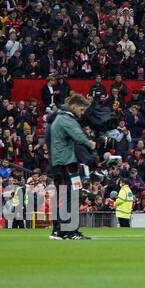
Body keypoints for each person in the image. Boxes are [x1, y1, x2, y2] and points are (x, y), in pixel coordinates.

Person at [48, 94, 94, 240]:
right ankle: (68, 231)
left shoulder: (59, 118)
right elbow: (79, 135)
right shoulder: (66, 119)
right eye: (81, 110)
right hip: (68, 163)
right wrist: (90, 144)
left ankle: (62, 230)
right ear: (74, 106)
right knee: (74, 195)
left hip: (63, 161)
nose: (82, 113)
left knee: (70, 195)